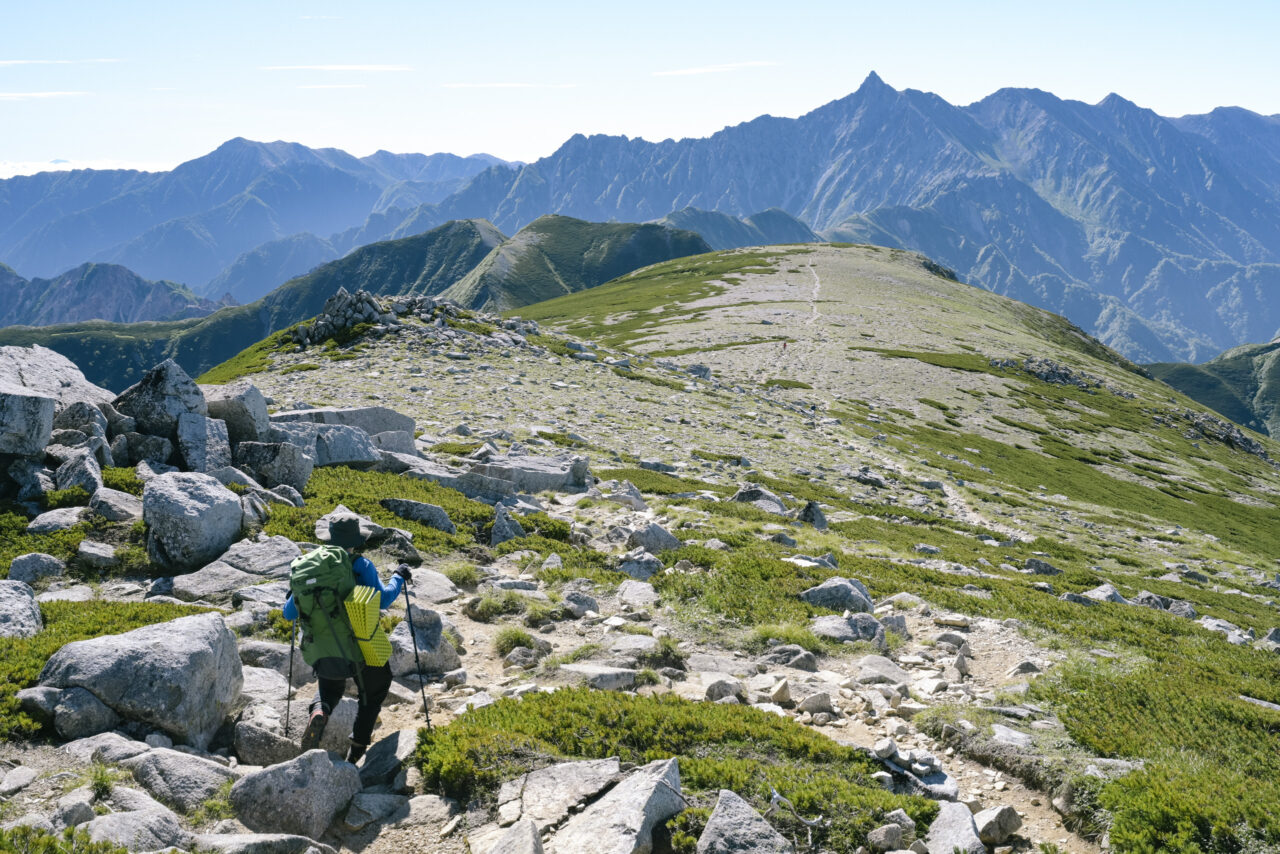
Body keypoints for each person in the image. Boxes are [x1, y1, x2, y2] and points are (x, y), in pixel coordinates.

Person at [283, 515, 411, 763]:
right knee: (375, 688)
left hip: (320, 648)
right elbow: (383, 600)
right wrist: (399, 576)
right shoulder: (360, 565)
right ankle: (356, 751)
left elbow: (288, 614)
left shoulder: (308, 566)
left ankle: (320, 710)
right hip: (359, 645)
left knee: (330, 687)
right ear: (355, 541)